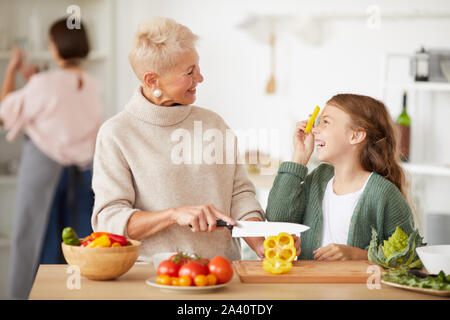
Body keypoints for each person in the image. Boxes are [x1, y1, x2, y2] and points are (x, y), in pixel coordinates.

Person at [91, 17, 300, 262]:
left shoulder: (213, 124)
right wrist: (173, 215)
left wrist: (262, 243)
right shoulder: (117, 133)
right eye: (189, 72)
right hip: (153, 275)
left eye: (197, 67)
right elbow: (109, 220)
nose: (200, 78)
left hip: (222, 272)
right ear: (151, 80)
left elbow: (240, 194)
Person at [0, 18, 103, 299]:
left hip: (43, 173)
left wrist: (11, 70)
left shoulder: (44, 84)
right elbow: (62, 105)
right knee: (79, 248)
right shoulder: (92, 85)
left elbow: (4, 111)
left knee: (32, 241)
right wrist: (34, 80)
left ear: (56, 46)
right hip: (84, 176)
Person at [266, 93, 417, 261]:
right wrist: (299, 157)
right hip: (310, 286)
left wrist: (359, 255)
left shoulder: (383, 193)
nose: (314, 129)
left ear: (356, 136)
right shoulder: (318, 179)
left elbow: (408, 255)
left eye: (325, 122)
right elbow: (278, 218)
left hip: (358, 288)